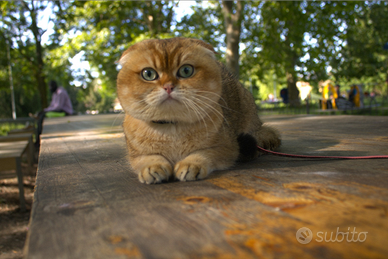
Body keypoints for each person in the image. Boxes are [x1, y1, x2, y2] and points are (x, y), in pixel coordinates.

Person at [30, 80, 73, 147]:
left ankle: (39, 141)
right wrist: (44, 110)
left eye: (50, 87)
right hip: (59, 110)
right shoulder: (54, 94)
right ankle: (38, 139)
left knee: (43, 116)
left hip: (64, 112)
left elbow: (58, 107)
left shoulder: (60, 93)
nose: (50, 88)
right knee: (42, 115)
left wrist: (45, 111)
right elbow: (52, 106)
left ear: (54, 86)